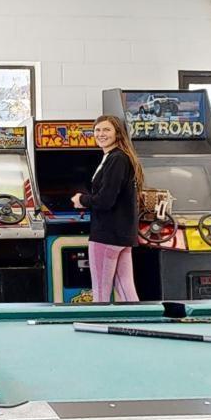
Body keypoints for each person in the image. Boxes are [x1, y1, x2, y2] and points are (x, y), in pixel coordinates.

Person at [72, 114, 143, 303]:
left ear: (117, 133)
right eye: (97, 130)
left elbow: (105, 200)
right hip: (121, 234)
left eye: (106, 130)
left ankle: (98, 325)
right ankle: (142, 321)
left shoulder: (116, 159)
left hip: (107, 233)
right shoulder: (119, 157)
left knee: (101, 292)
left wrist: (82, 199)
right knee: (125, 287)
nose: (101, 134)